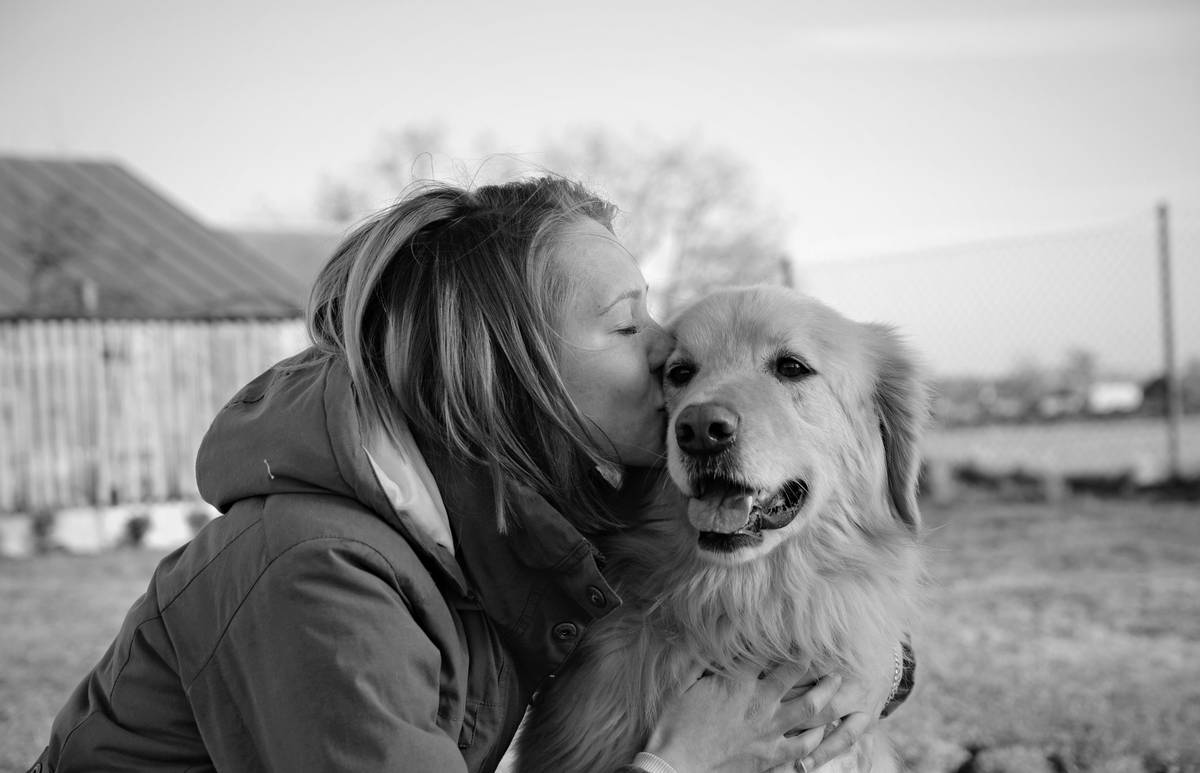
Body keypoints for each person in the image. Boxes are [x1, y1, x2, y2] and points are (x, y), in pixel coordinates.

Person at [32, 176, 912, 773]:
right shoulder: (318, 574)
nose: (667, 354)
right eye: (625, 324)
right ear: (506, 369)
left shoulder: (517, 514)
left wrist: (878, 670)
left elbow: (751, 604)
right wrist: (680, 760)